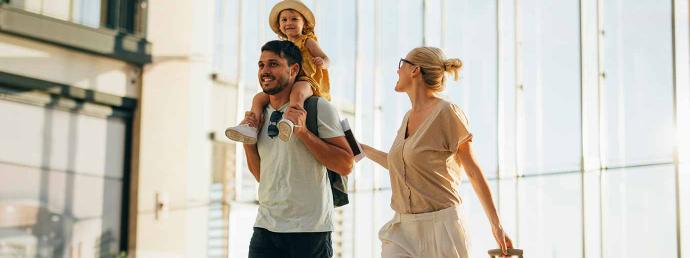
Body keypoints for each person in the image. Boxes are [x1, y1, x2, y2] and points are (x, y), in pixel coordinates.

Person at [360, 47, 514, 258]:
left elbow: (473, 171)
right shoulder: (407, 117)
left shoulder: (447, 112)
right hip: (402, 229)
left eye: (401, 64)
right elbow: (401, 165)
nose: (397, 71)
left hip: (442, 228)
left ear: (415, 70)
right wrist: (363, 149)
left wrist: (496, 225)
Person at [241, 40, 354, 258]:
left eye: (273, 64)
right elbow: (262, 177)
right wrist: (249, 140)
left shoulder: (318, 108)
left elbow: (346, 164)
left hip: (309, 231)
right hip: (266, 227)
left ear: (294, 70)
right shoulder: (259, 114)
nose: (265, 71)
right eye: (261, 65)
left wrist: (303, 132)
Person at [227, 0, 331, 143]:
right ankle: (250, 125)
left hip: (305, 80)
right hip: (287, 82)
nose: (289, 22)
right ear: (280, 26)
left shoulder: (307, 41)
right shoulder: (281, 47)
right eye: (284, 20)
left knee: (298, 93)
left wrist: (322, 63)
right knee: (258, 98)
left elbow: (325, 57)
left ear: (305, 24)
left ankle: (291, 120)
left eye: (294, 19)